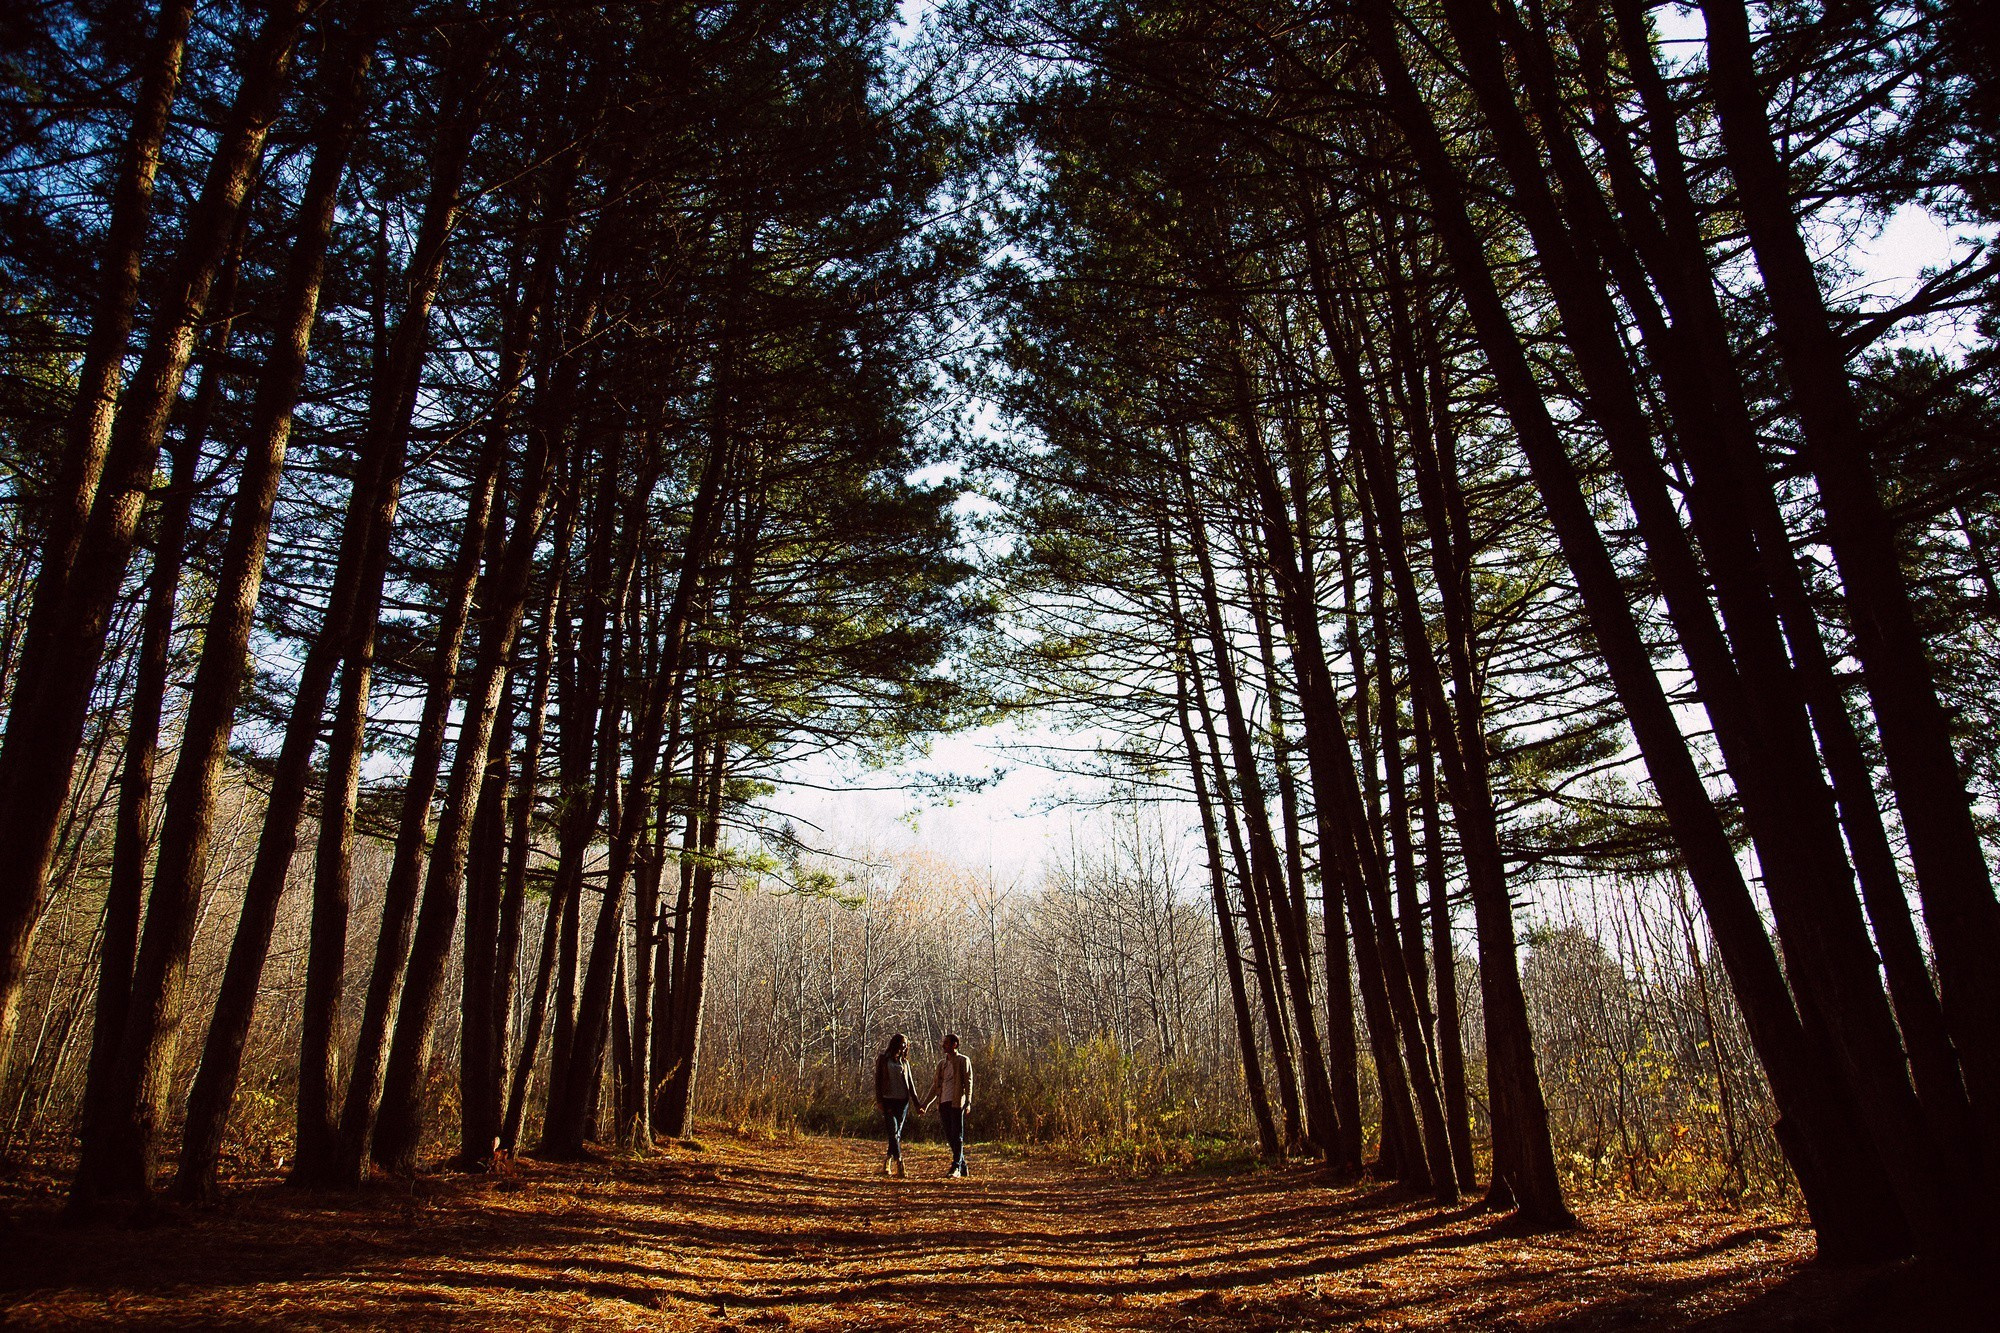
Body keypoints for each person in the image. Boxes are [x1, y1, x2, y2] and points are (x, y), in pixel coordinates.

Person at [922, 1033, 974, 1178]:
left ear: (954, 1044)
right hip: (943, 1102)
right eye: (943, 1042)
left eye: (946, 1043)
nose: (943, 1045)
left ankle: (956, 1166)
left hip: (956, 1103)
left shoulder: (963, 1061)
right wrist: (925, 1104)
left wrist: (968, 1102)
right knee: (950, 1136)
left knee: (957, 1135)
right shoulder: (941, 1065)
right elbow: (935, 1087)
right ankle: (962, 1165)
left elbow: (968, 1082)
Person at [874, 1033, 919, 1178]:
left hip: (902, 1101)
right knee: (893, 1131)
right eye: (902, 1043)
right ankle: (899, 1162)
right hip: (888, 1100)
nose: (904, 1046)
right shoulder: (883, 1059)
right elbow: (878, 1081)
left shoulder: (904, 1062)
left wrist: (917, 1104)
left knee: (896, 1133)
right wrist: (879, 1100)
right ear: (895, 1043)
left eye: (906, 1043)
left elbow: (910, 1084)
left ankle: (887, 1160)